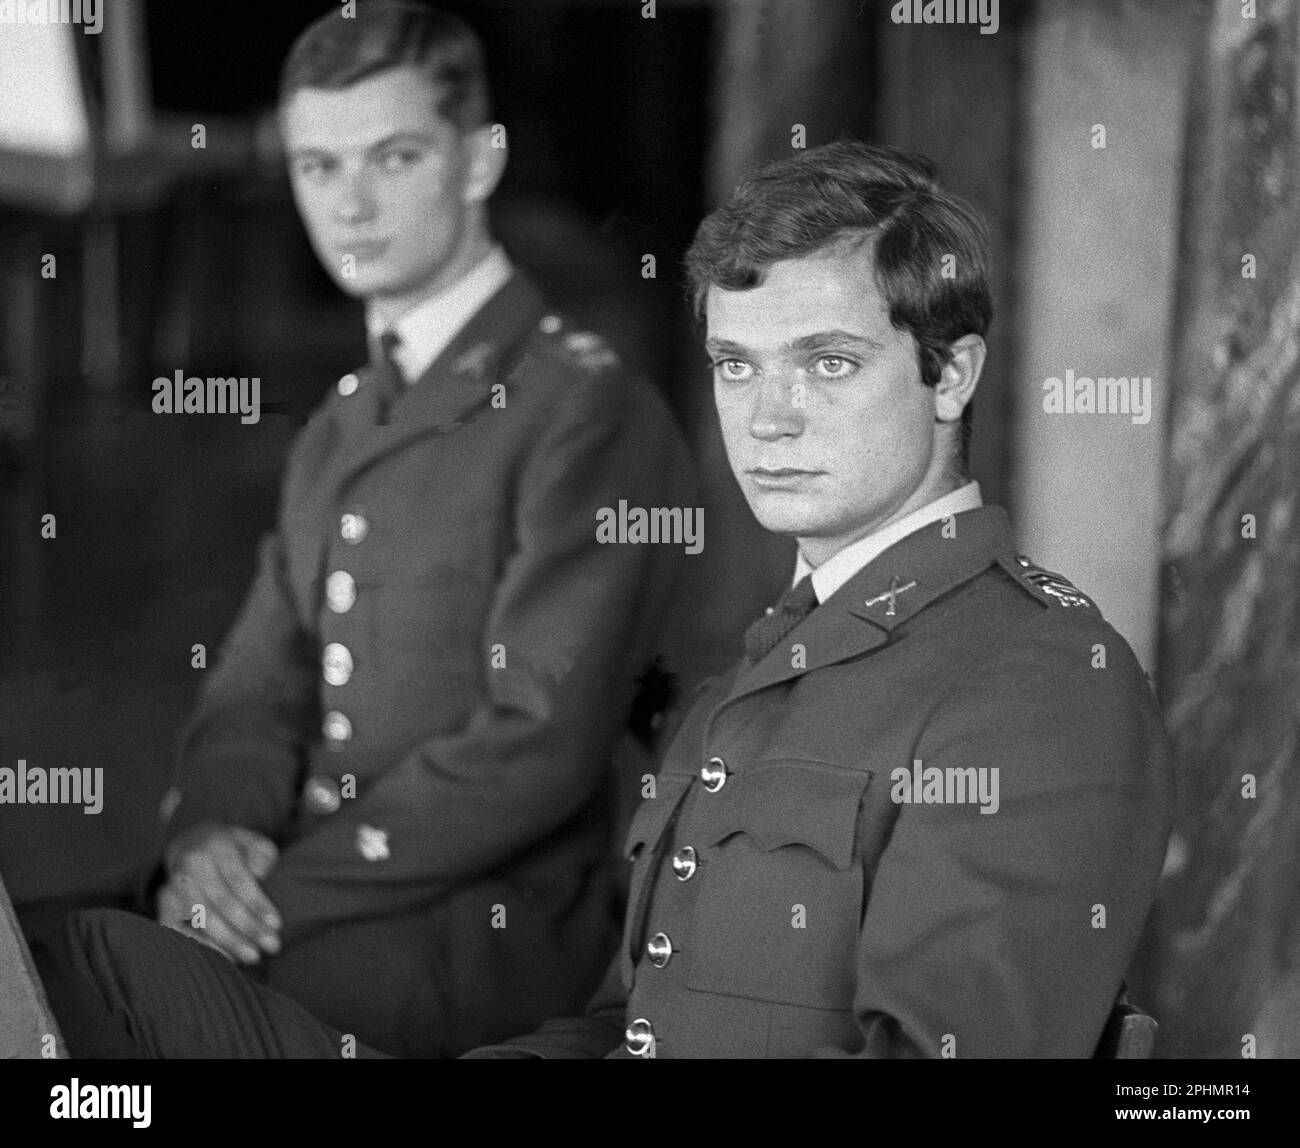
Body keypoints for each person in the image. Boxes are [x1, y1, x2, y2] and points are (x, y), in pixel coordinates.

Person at [32, 137, 1171, 1059]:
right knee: (96, 968)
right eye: (737, 364)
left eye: (825, 362)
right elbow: (637, 1026)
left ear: (951, 371)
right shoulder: (754, 678)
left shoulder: (1035, 684)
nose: (767, 416)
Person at [29, 0, 693, 1059]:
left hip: (472, 926)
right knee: (29, 941)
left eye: (393, 156)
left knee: (88, 994)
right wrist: (210, 836)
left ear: (479, 161)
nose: (351, 204)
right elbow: (257, 681)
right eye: (318, 166)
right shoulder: (342, 419)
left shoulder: (585, 409)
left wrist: (272, 891)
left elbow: (538, 745)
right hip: (306, 882)